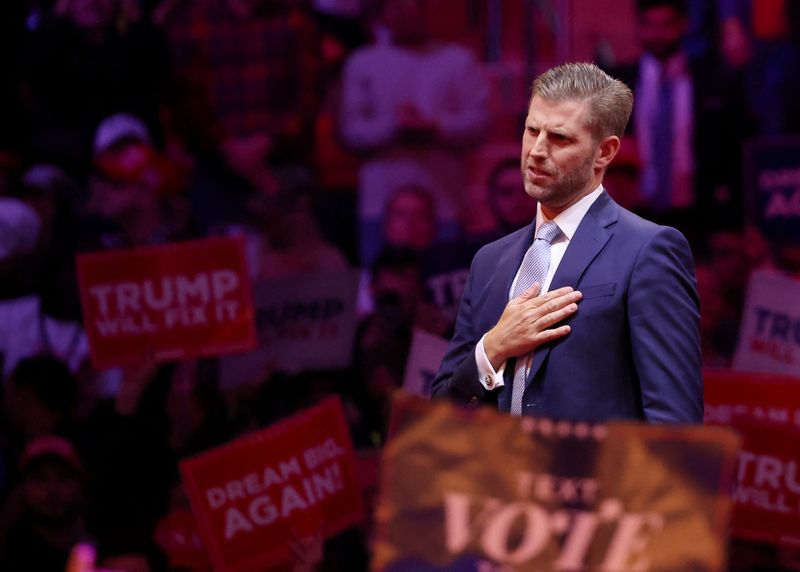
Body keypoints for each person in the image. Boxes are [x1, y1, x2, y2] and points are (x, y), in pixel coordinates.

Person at [431, 62, 703, 423]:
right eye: (531, 131)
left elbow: (675, 428)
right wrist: (492, 348)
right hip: (497, 478)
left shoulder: (648, 250)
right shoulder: (488, 262)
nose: (537, 151)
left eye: (560, 138)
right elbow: (440, 414)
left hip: (597, 479)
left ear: (604, 152)